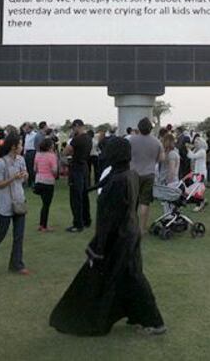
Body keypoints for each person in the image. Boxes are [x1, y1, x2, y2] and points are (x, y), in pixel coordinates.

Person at [49, 137, 165, 336]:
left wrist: (98, 247)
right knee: (129, 277)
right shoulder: (129, 174)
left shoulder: (120, 179)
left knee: (132, 278)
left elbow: (109, 218)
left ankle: (155, 322)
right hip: (128, 234)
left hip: (120, 238)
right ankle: (140, 315)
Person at [0, 132, 30, 274]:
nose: (22, 146)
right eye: (20, 144)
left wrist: (25, 176)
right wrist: (13, 177)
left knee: (19, 236)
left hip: (19, 201)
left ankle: (17, 265)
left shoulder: (21, 159)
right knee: (0, 233)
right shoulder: (0, 162)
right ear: (13, 146)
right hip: (4, 204)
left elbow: (25, 176)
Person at [129, 118, 163, 234]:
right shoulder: (156, 142)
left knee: (133, 201)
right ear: (150, 128)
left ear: (139, 128)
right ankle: (142, 228)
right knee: (145, 202)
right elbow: (161, 158)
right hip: (149, 174)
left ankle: (131, 226)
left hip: (134, 173)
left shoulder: (131, 140)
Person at [64, 120, 93, 233]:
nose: (72, 130)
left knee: (76, 197)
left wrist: (70, 145)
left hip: (76, 168)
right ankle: (86, 220)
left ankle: (78, 224)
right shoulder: (89, 139)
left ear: (77, 126)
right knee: (84, 195)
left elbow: (66, 152)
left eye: (73, 128)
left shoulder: (77, 139)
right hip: (85, 167)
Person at [34, 137, 59, 232]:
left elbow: (35, 169)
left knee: (44, 204)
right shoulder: (52, 156)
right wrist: (55, 175)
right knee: (46, 205)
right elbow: (54, 170)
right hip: (48, 182)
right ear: (50, 146)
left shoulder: (37, 154)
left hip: (39, 181)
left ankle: (41, 224)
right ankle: (44, 226)